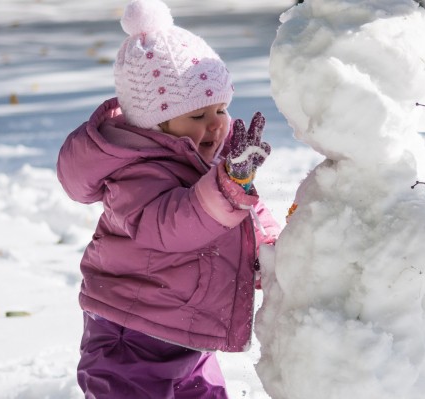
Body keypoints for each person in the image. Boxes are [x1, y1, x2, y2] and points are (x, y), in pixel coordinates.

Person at [56, 0, 280, 397]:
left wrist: (271, 249)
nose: (215, 125)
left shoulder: (215, 159)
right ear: (155, 122)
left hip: (188, 332)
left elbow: (246, 213)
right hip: (132, 335)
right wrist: (228, 186)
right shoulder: (136, 171)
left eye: (221, 109)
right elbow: (169, 227)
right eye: (196, 116)